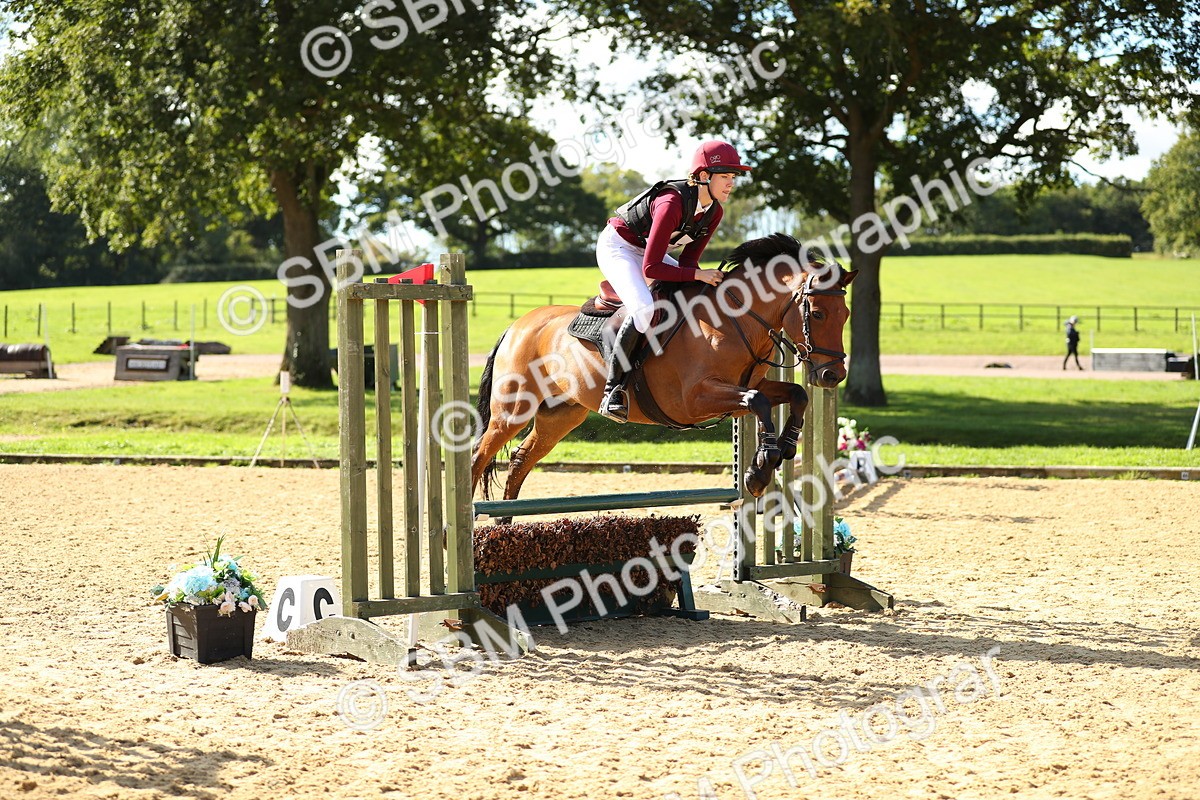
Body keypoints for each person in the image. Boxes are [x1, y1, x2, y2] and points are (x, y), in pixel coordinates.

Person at [595, 140, 751, 422]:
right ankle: (612, 391)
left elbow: (689, 262)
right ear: (704, 176)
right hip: (618, 247)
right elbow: (652, 268)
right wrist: (697, 274)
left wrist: (702, 279)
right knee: (644, 310)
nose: (731, 183)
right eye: (725, 176)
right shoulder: (671, 202)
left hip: (648, 252)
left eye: (733, 177)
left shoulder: (714, 212)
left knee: (694, 291)